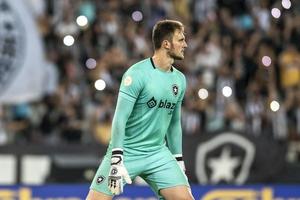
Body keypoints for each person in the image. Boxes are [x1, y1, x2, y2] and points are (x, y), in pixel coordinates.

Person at [86, 19, 194, 200]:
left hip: (157, 153)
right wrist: (117, 158)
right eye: (181, 40)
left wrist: (178, 160)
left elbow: (174, 123)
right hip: (127, 151)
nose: (186, 44)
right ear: (166, 44)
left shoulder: (180, 80)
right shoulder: (137, 74)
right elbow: (120, 117)